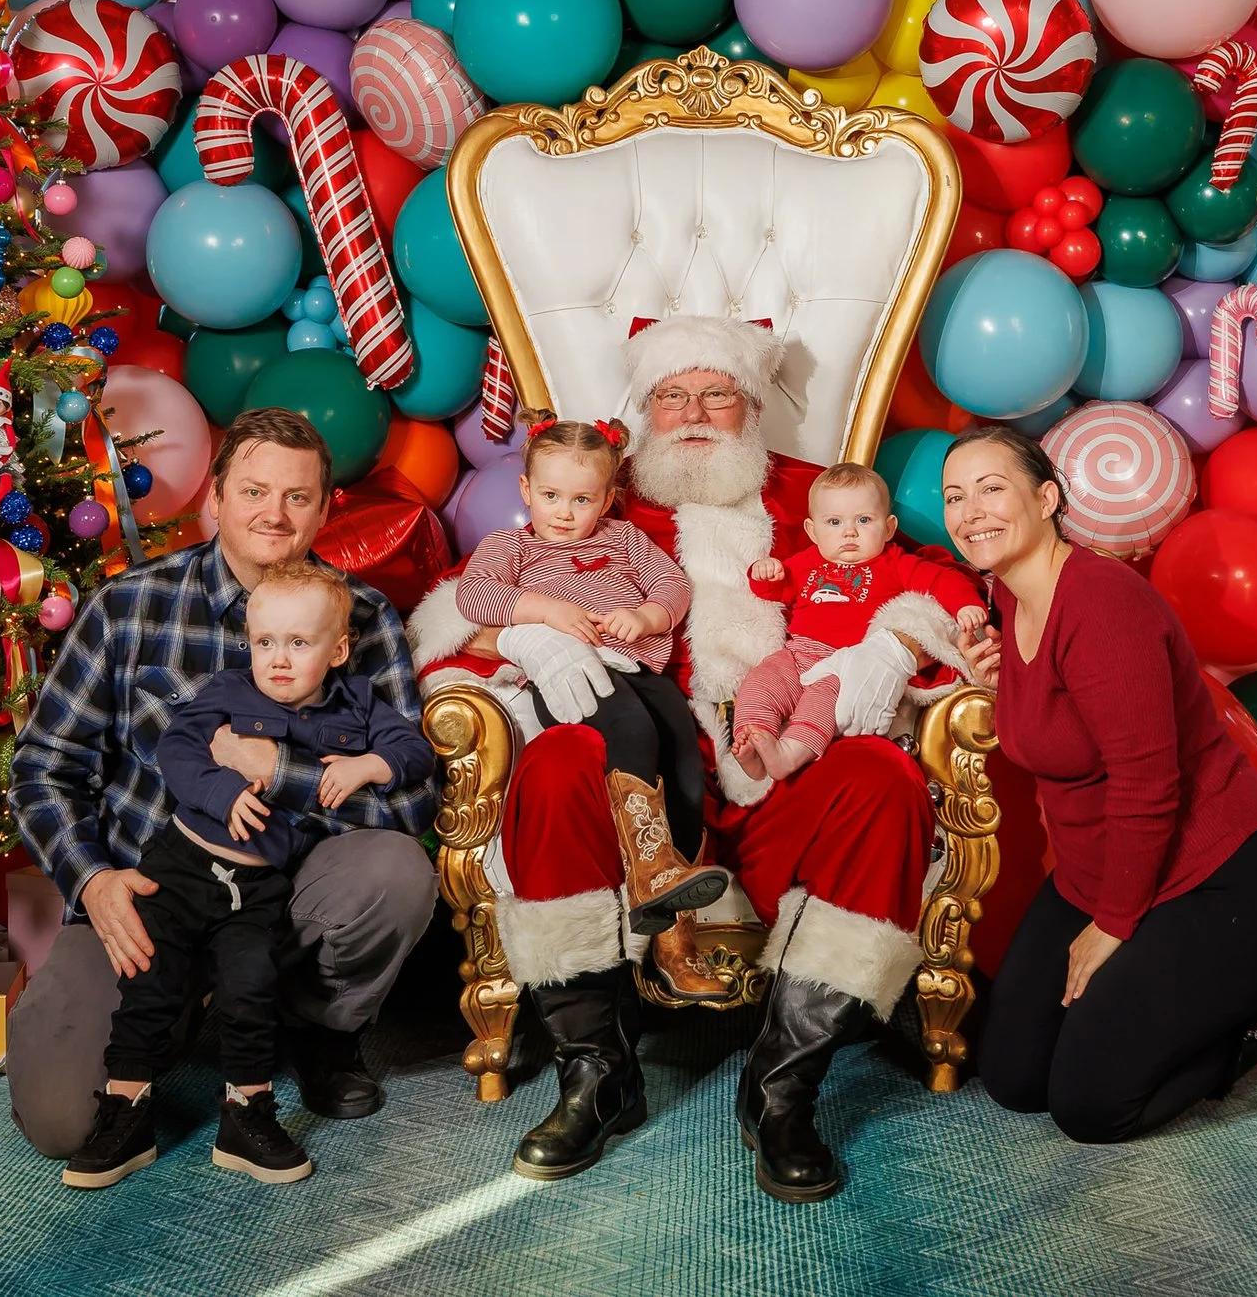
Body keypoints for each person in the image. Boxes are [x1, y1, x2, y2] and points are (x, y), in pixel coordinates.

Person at [409, 316, 957, 1203]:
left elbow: (924, 580)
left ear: (751, 403)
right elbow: (460, 607)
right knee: (552, 764)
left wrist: (906, 639)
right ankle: (596, 1075)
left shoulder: (817, 495)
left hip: (781, 759)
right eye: (672, 393)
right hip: (646, 775)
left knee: (888, 780)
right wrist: (518, 629)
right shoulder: (598, 501)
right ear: (645, 407)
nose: (694, 411)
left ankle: (781, 1089)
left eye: (717, 393)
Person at [6, 409, 441, 1161]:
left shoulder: (361, 619)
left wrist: (281, 772)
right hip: (147, 898)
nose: (274, 514)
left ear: (327, 507)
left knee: (395, 872)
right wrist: (96, 884)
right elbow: (43, 768)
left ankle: (317, 1027)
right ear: (215, 497)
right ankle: (168, 1018)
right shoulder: (130, 606)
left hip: (282, 896)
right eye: (254, 491)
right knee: (59, 1124)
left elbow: (410, 799)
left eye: (298, 497)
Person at [945, 425, 1257, 1144]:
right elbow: (1067, 715)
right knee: (1014, 1079)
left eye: (992, 489)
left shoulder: (1102, 606)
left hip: (1213, 873)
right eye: (955, 496)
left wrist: (1112, 926)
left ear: (1046, 499)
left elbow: (1148, 785)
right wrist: (1003, 680)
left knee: (1091, 1107)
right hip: (1092, 871)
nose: (969, 511)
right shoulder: (1009, 594)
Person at [61, 562, 437, 1189]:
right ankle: (125, 1110)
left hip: (259, 887)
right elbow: (177, 750)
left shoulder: (358, 706)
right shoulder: (228, 693)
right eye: (266, 643)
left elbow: (415, 753)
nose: (279, 660)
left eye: (299, 643)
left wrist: (370, 764)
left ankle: (246, 1113)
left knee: (250, 987)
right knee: (150, 982)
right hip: (181, 870)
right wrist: (221, 791)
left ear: (338, 648)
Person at [454, 413, 733, 990]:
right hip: (568, 677)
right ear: (526, 490)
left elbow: (673, 588)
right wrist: (544, 610)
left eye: (581, 499)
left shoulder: (626, 541)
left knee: (680, 747)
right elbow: (473, 595)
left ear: (608, 498)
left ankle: (671, 899)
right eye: (551, 495)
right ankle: (653, 883)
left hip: (634, 664)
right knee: (632, 730)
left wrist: (645, 615)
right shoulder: (508, 548)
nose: (563, 512)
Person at [733, 462, 986, 782]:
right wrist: (765, 574)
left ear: (889, 527)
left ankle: (790, 753)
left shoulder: (895, 562)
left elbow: (941, 580)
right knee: (762, 680)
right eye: (834, 522)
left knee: (823, 702)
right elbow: (777, 591)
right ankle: (753, 737)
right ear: (813, 531)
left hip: (845, 662)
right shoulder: (807, 562)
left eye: (864, 520)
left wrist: (966, 605)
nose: (849, 532)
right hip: (797, 653)